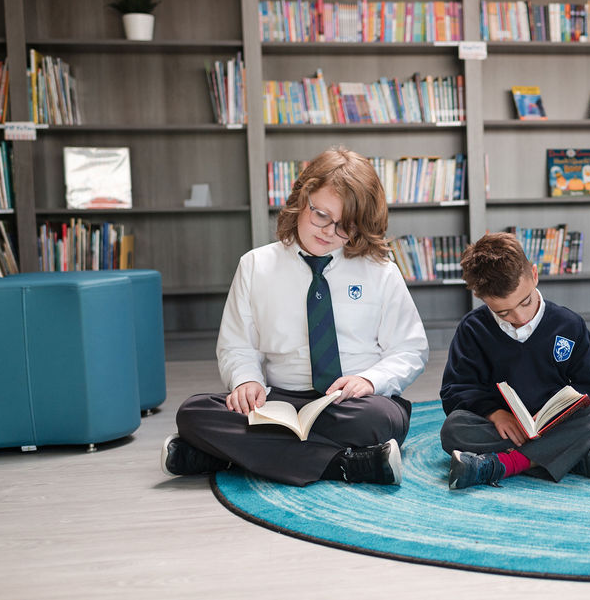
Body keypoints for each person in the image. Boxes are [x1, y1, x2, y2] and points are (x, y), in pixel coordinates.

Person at [161, 148, 429, 486]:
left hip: (350, 404)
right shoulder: (255, 266)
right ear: (302, 198)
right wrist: (246, 381)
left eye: (345, 226)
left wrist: (371, 381)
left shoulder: (380, 271)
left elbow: (410, 349)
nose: (329, 231)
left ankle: (223, 455)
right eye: (321, 215)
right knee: (194, 413)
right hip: (278, 400)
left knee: (378, 420)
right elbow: (237, 345)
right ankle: (344, 464)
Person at [439, 232, 590, 489]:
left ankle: (503, 464)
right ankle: (573, 457)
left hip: (556, 425)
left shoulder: (569, 325)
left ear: (534, 275)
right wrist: (495, 414)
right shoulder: (473, 329)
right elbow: (455, 391)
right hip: (506, 429)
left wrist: (561, 413)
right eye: (503, 312)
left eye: (525, 302)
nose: (520, 317)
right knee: (453, 429)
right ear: (482, 299)